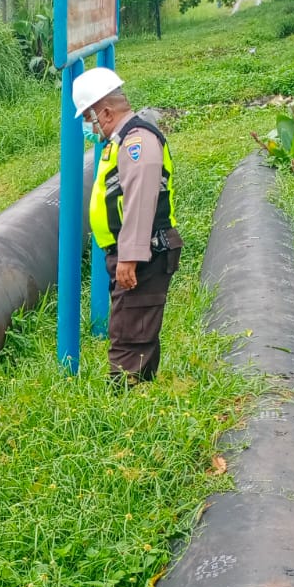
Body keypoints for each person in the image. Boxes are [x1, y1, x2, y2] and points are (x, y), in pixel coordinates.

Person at [72, 66, 182, 384]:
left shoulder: (137, 142)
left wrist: (129, 256)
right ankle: (141, 391)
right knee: (135, 324)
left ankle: (125, 404)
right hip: (135, 253)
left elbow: (140, 199)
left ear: (106, 111)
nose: (88, 125)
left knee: (129, 334)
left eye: (88, 117)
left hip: (144, 254)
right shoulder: (121, 141)